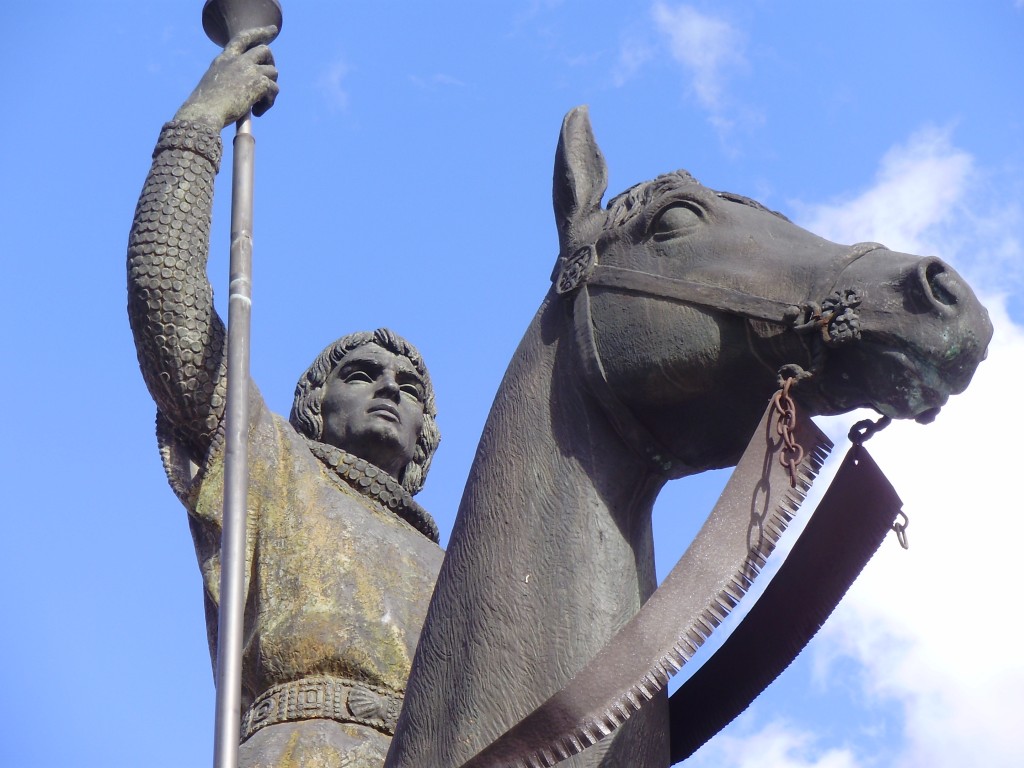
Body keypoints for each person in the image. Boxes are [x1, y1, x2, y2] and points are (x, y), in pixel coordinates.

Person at [126, 27, 443, 768]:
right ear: (314, 406)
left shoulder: (461, 567)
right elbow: (166, 301)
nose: (390, 389)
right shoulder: (268, 461)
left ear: (428, 433)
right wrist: (199, 124)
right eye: (362, 375)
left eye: (410, 389)